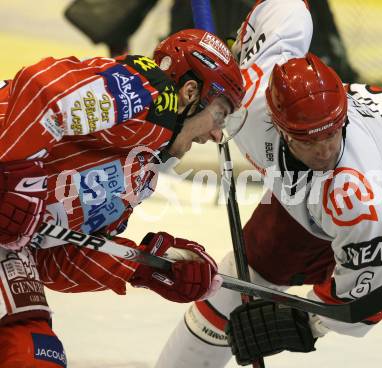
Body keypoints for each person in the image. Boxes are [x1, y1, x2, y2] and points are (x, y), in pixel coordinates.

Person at [155, 1, 382, 367]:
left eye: (331, 134)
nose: (323, 151)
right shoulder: (245, 99)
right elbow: (287, 7)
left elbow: (372, 292)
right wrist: (235, 46)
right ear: (279, 126)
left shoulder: (354, 196)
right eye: (308, 139)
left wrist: (306, 323)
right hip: (307, 200)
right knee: (231, 289)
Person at [0, 29, 244, 367]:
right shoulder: (148, 91)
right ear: (190, 92)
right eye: (219, 114)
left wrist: (149, 266)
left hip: (8, 247)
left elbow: (55, 260)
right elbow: (40, 89)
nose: (217, 134)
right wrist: (16, 180)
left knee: (32, 350)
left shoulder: (139, 177)